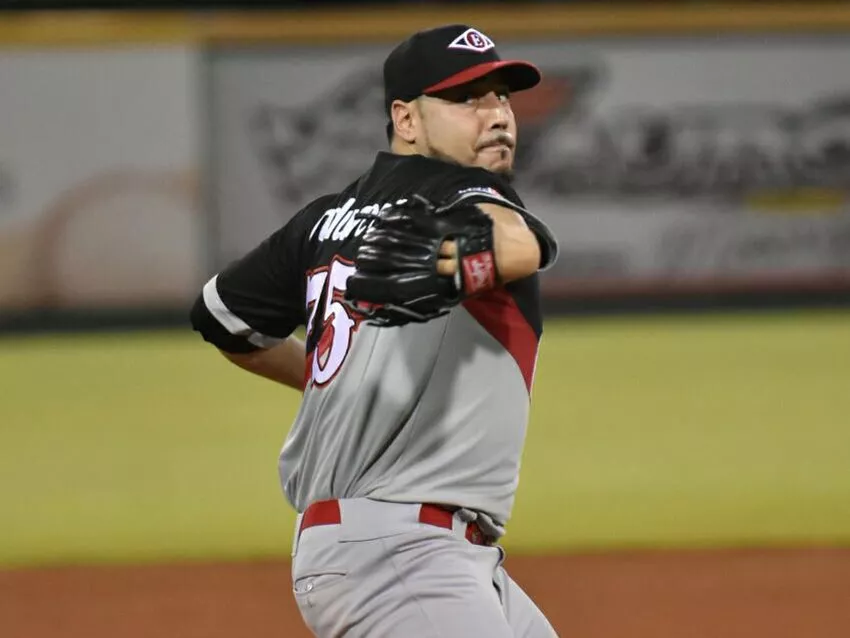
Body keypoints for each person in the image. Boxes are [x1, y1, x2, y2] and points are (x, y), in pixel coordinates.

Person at [190, 23, 559, 637]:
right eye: (466, 98)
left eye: (501, 96)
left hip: (415, 554)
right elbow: (519, 242)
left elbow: (221, 318)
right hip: (401, 555)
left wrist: (339, 378)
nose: (496, 115)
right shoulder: (462, 192)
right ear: (406, 120)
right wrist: (457, 260)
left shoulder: (322, 219)